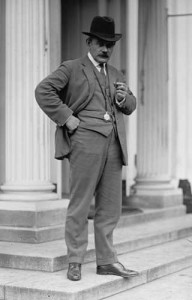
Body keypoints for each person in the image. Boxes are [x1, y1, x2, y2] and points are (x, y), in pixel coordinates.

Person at [35, 16, 138, 281]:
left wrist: (124, 97)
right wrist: (66, 117)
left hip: (114, 145)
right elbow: (43, 90)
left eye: (110, 45)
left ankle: (106, 260)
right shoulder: (71, 68)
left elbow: (130, 105)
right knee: (80, 204)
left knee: (110, 207)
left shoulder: (115, 73)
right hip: (84, 142)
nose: (106, 49)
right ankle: (75, 260)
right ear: (89, 42)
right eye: (101, 43)